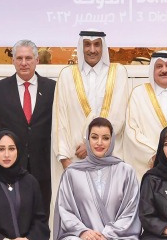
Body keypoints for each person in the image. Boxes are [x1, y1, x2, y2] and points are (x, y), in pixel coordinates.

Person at [0, 41, 57, 208]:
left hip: (43, 166)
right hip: (9, 166)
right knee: (11, 212)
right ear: (13, 61)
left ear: (37, 60)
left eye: (28, 58)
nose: (24, 63)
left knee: (41, 215)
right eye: (19, 58)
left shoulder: (53, 88)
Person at [53, 31, 130, 168]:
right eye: (87, 44)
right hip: (76, 158)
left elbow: (118, 115)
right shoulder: (67, 75)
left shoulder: (118, 73)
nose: (92, 50)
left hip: (110, 157)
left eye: (97, 45)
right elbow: (60, 119)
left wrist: (90, 145)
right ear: (81, 47)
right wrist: (64, 159)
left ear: (103, 47)